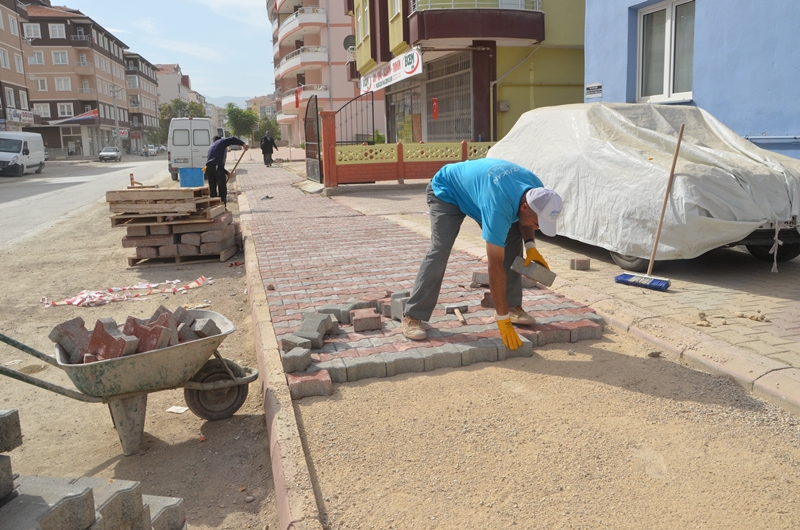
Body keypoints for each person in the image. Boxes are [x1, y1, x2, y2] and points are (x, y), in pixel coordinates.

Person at [402, 158, 562, 351]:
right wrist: (502, 322)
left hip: (481, 193)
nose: (537, 228)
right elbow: (495, 267)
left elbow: (525, 219)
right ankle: (413, 315)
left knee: (513, 239)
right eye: (537, 223)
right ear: (525, 207)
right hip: (447, 190)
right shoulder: (498, 206)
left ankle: (511, 307)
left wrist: (531, 247)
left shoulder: (538, 191)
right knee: (440, 249)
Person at [205, 135, 248, 207]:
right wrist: (243, 144)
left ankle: (214, 208)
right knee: (222, 188)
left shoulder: (211, 147)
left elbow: (214, 163)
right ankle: (222, 208)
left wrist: (227, 173)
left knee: (212, 189)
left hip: (208, 168)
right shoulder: (221, 142)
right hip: (216, 167)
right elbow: (232, 139)